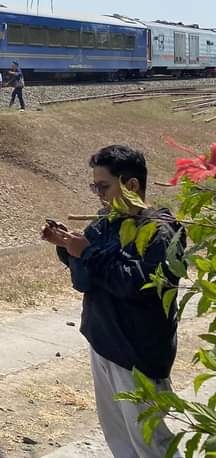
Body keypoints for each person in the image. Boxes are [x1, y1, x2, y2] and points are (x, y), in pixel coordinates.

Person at [41, 145, 184, 457]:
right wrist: (67, 245)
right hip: (104, 343)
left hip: (137, 355)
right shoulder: (107, 222)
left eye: (103, 186)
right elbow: (87, 279)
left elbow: (139, 285)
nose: (99, 195)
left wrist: (87, 252)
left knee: (152, 444)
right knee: (119, 439)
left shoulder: (161, 230)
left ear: (131, 185)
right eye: (95, 187)